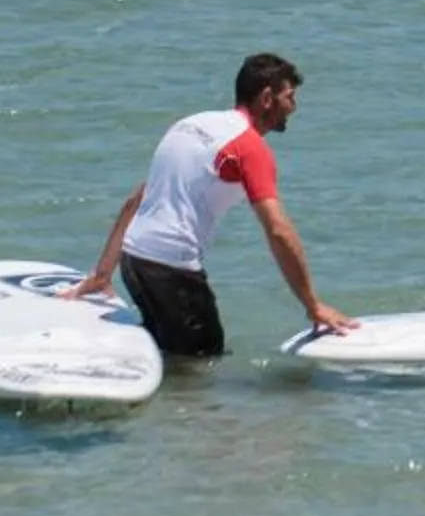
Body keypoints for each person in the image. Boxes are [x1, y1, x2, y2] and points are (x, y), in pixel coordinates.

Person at [62, 52, 355, 354]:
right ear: (267, 97)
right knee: (203, 365)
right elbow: (279, 230)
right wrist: (313, 305)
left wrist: (102, 275)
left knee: (170, 353)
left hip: (133, 259)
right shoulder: (250, 147)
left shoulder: (191, 123)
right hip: (171, 270)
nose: (293, 107)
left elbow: (138, 198)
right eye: (289, 97)